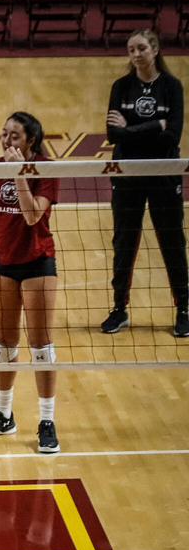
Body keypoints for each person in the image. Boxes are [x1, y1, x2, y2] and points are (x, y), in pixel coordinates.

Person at [0, 112, 62, 454]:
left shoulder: (45, 169)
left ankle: (46, 421)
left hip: (38, 262)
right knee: (4, 344)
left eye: (15, 136)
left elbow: (31, 214)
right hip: (1, 265)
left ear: (31, 141)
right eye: (4, 134)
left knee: (41, 346)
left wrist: (19, 173)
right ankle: (3, 414)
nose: (7, 141)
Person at [102, 29, 188, 338]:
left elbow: (173, 135)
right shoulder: (121, 87)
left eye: (141, 48)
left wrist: (133, 129)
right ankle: (118, 309)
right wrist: (155, 126)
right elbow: (113, 135)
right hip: (128, 174)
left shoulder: (171, 87)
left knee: (172, 242)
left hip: (164, 172)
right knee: (124, 242)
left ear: (155, 50)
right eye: (130, 50)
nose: (135, 54)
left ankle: (183, 309)